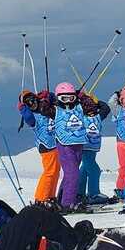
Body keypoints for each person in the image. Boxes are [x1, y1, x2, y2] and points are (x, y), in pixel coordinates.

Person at [40, 82, 99, 212]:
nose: (68, 101)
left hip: (78, 143)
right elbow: (43, 110)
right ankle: (68, 203)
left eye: (71, 98)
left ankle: (62, 198)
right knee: (73, 173)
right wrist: (47, 99)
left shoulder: (79, 107)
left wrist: (82, 96)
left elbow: (92, 108)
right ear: (58, 98)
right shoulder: (56, 109)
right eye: (64, 98)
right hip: (64, 145)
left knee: (70, 174)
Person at [18, 89, 61, 204]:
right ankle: (41, 198)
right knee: (49, 172)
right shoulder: (31, 116)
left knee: (55, 172)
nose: (32, 103)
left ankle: (50, 196)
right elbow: (28, 118)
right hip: (46, 145)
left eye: (33, 99)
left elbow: (54, 99)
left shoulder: (44, 108)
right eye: (28, 103)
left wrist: (47, 96)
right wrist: (22, 108)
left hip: (55, 143)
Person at [78, 92, 113, 204]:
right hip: (85, 147)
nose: (91, 111)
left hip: (93, 148)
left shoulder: (98, 117)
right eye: (88, 108)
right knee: (94, 170)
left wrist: (96, 100)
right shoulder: (80, 117)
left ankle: (80, 193)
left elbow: (106, 108)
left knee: (84, 169)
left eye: (93, 107)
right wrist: (80, 97)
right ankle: (94, 193)